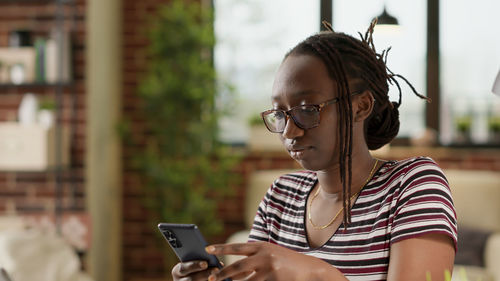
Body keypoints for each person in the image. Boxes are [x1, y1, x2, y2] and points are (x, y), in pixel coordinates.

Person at [172, 20, 457, 281]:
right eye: (280, 114)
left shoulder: (413, 185)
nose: (288, 131)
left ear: (361, 106)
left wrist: (316, 273)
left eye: (307, 110)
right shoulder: (280, 197)